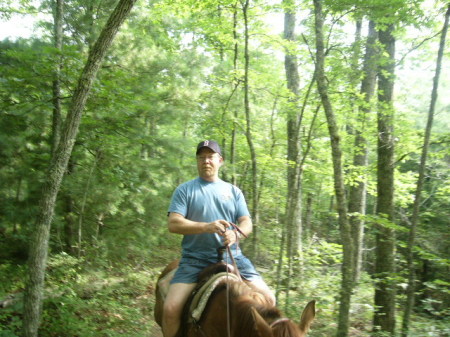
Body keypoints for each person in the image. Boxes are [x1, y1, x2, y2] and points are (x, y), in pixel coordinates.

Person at [162, 140, 275, 337]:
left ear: (220, 161)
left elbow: (246, 222)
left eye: (210, 157)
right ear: (197, 161)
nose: (206, 161)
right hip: (195, 260)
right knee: (171, 309)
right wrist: (206, 227)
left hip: (234, 258)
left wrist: (236, 233)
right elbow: (174, 224)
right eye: (201, 157)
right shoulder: (185, 190)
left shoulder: (233, 191)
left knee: (269, 299)